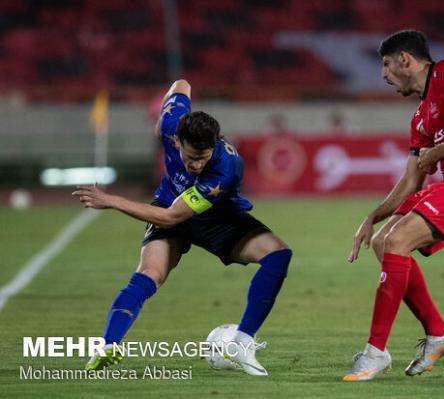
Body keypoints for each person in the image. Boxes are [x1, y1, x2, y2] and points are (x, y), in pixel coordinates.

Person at [73, 80, 292, 376]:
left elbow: (172, 218)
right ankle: (108, 346)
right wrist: (161, 121)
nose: (197, 165)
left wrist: (112, 200)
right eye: (190, 158)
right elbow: (182, 85)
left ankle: (242, 343)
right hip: (168, 204)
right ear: (176, 141)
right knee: (149, 274)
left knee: (278, 254)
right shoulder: (170, 123)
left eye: (203, 158)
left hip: (217, 219)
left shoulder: (225, 167)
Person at [343, 30, 444, 382]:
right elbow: (410, 182)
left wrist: (435, 154)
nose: (383, 75)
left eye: (386, 65)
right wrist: (371, 217)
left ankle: (375, 353)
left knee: (398, 241)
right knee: (382, 242)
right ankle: (438, 332)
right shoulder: (420, 118)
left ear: (406, 59)